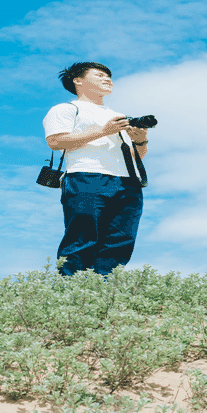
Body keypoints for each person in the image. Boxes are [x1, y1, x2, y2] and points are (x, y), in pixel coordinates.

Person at [42, 62, 151, 276]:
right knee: (82, 237)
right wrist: (104, 131)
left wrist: (141, 142)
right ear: (78, 80)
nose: (107, 79)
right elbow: (56, 141)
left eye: (109, 76)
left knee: (120, 242)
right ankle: (70, 292)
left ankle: (102, 294)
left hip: (127, 182)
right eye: (100, 74)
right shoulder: (66, 109)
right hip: (86, 176)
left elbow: (135, 156)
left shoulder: (119, 115)